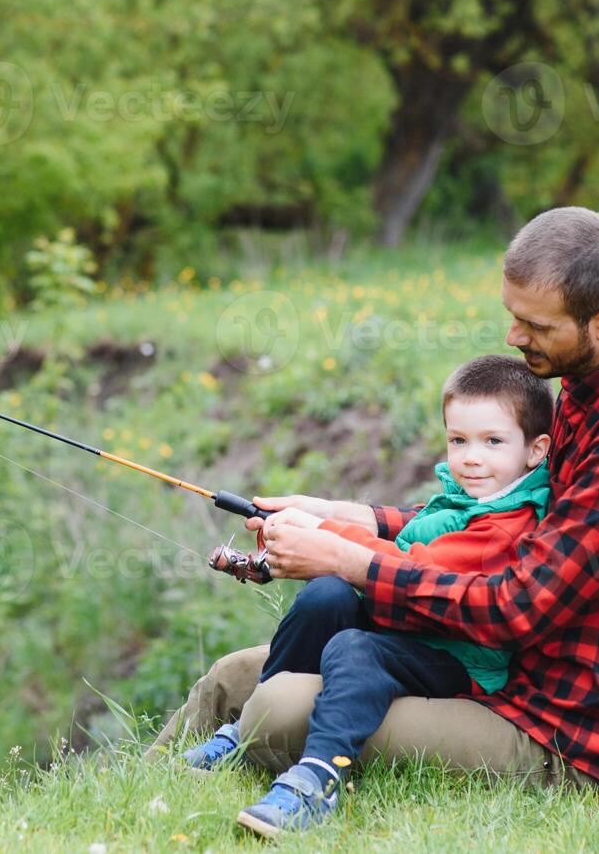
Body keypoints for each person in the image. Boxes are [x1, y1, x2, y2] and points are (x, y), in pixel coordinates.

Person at [149, 207, 599, 837]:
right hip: (509, 663)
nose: (514, 335)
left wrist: (346, 558)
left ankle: (296, 782)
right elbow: (504, 520)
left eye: (535, 324)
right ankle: (145, 787)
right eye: (513, 315)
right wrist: (355, 519)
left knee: (275, 703)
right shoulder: (594, 375)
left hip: (567, 727)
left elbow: (516, 606)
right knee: (233, 674)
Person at [181, 355, 553, 838]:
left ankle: (316, 778)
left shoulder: (509, 522)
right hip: (412, 626)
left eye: (492, 442)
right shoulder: (471, 493)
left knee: (354, 648)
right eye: (458, 440)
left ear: (535, 450)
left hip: (460, 659)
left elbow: (417, 565)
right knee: (327, 594)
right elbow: (410, 532)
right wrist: (311, 523)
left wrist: (323, 537)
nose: (471, 457)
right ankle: (240, 731)